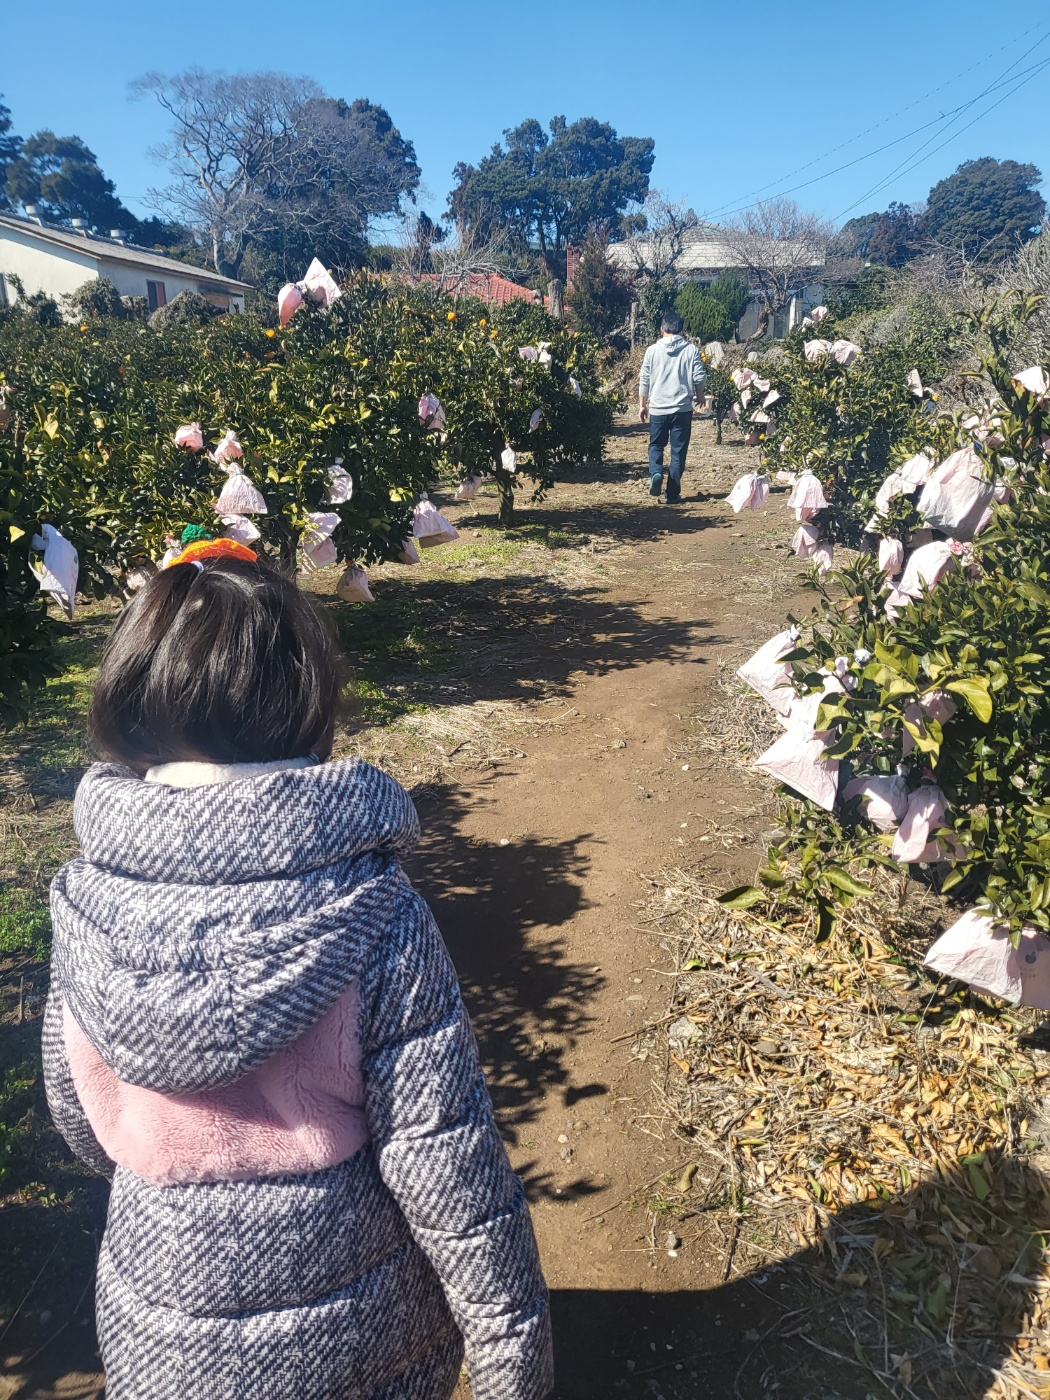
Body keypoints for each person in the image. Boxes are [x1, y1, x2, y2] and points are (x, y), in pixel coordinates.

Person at [43, 538, 553, 1400]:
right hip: (359, 1335)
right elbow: (445, 1163)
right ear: (307, 695)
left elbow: (77, 1115)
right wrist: (512, 1357)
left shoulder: (85, 905)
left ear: (133, 690)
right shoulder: (373, 910)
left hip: (159, 1321)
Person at [638, 310, 707, 503]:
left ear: (661, 329)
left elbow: (644, 379)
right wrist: (700, 394)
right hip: (682, 409)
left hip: (658, 408)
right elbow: (699, 376)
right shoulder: (690, 350)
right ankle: (672, 493)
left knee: (656, 445)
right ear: (682, 330)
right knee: (678, 451)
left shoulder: (652, 351)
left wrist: (643, 405)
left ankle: (655, 473)